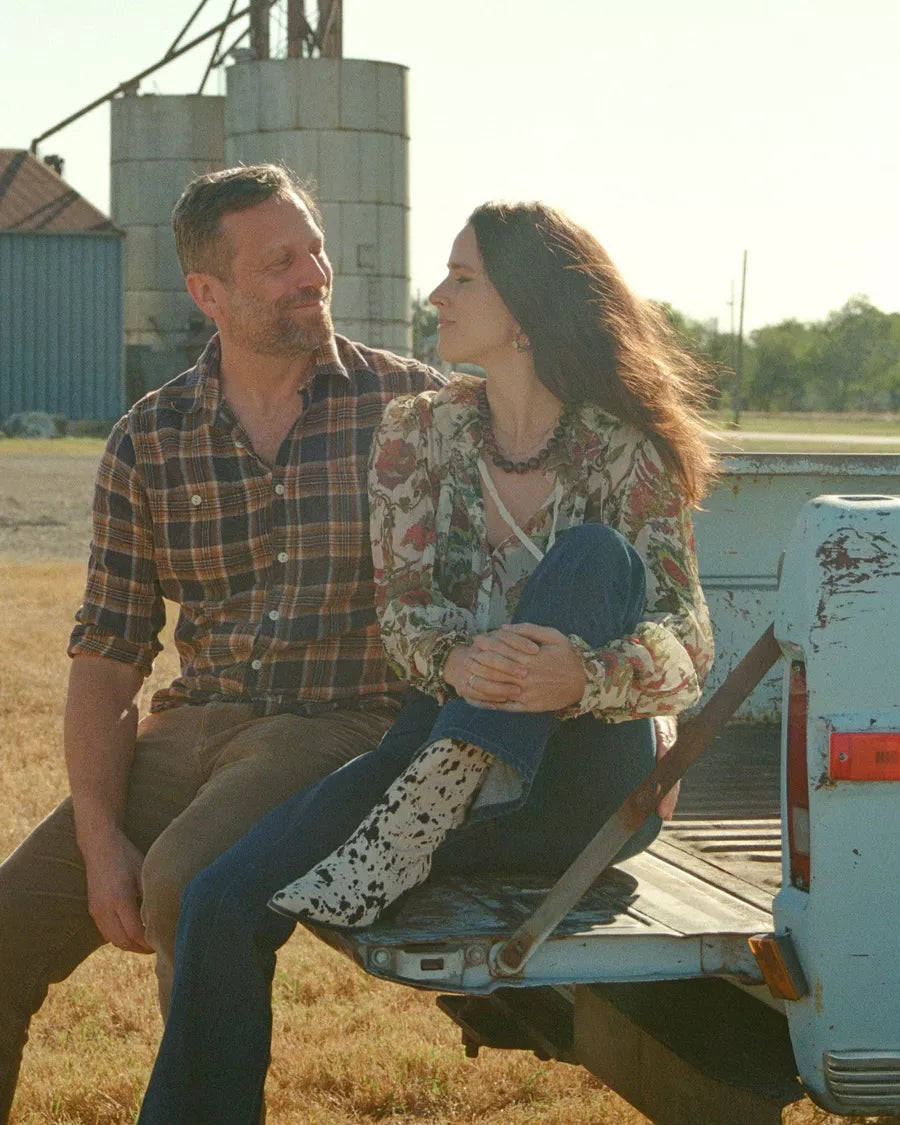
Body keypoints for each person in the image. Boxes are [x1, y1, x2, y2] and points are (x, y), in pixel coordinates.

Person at [136, 200, 716, 1124]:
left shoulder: (624, 451)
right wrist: (465, 660)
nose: (437, 294)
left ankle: (444, 792)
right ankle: (441, 790)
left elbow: (689, 644)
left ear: (525, 308)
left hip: (584, 782)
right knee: (219, 895)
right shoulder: (419, 432)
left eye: (463, 277)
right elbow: (405, 620)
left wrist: (581, 675)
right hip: (423, 764)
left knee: (595, 561)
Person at [0, 162, 443, 1123]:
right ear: (209, 293)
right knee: (4, 930)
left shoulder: (412, 410)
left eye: (315, 249)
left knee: (185, 878)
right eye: (281, 261)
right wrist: (97, 832)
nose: (314, 274)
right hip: (193, 725)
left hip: (339, 720)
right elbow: (110, 653)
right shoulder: (150, 437)